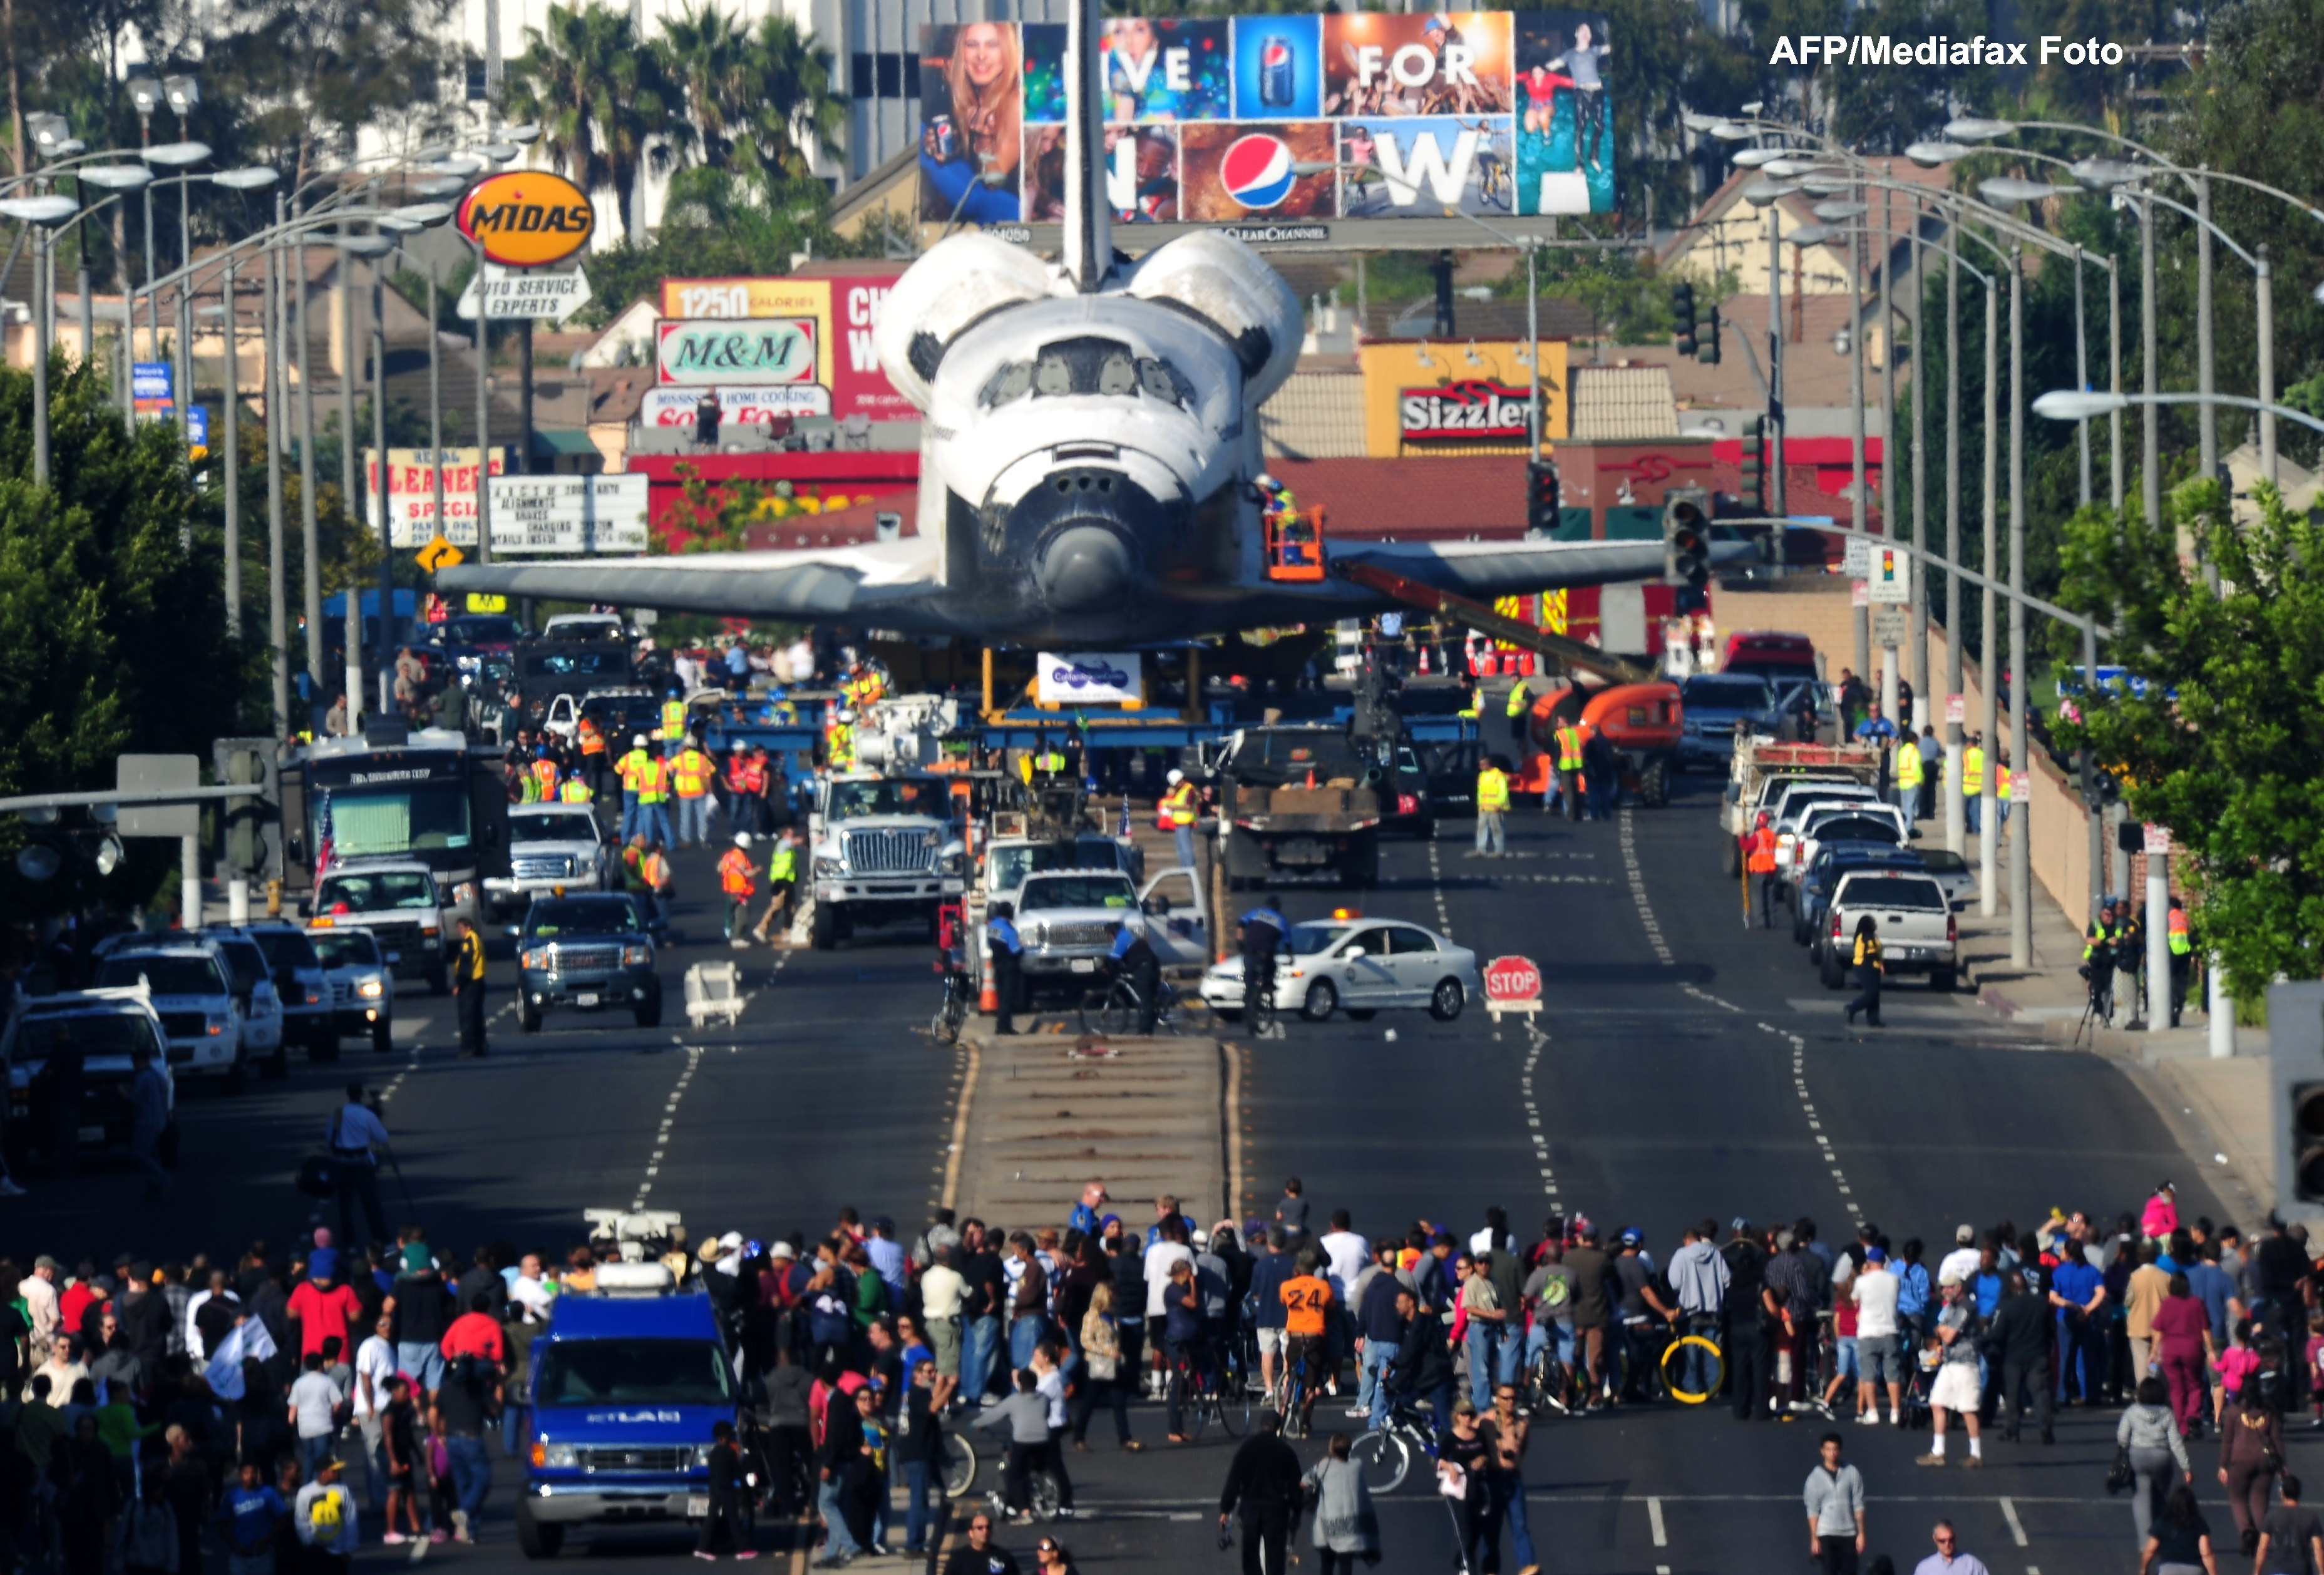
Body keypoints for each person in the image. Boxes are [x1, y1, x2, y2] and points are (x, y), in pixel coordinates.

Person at [1218, 1410, 1303, 1575]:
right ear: (1278, 1427)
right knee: (1275, 1556)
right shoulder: (1285, 1450)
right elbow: (1295, 1485)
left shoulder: (1247, 1448)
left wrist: (1225, 1509)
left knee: (1250, 1553)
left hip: (1251, 1507)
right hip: (1276, 1509)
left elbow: (1234, 1480)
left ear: (1261, 1425)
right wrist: (1297, 1511)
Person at [2121, 1375, 2194, 1546]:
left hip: (2138, 1456)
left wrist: (2124, 1451)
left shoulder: (2132, 1411)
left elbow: (2122, 1436)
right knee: (2161, 1498)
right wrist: (2186, 1467)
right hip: (2162, 1458)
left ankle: (2146, 1543)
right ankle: (2162, 1536)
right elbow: (2176, 1442)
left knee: (2142, 1498)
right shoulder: (2166, 1413)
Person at [1917, 1281, 1983, 1467]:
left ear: (1959, 1288)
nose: (1944, 1291)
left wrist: (1943, 1330)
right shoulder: (1950, 1307)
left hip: (1966, 1364)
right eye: (1942, 1288)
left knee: (1968, 1409)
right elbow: (1939, 1331)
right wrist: (1942, 1330)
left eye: (1948, 1287)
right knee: (1937, 1403)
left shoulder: (1966, 1307)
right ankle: (1938, 1452)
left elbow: (1947, 1335)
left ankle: (1976, 1454)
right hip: (1949, 1363)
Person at [321, 1084, 391, 1248]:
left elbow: (328, 1137)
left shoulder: (338, 1113)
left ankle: (348, 1241)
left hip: (342, 1164)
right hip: (362, 1164)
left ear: (348, 1095)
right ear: (361, 1095)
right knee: (371, 1204)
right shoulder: (367, 1115)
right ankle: (381, 1239)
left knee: (345, 1205)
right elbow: (382, 1139)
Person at [1301, 1431, 1379, 1575]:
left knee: (1327, 1564)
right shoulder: (1357, 1465)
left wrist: (1318, 1465)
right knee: (1345, 1564)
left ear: (1331, 1449)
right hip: (1351, 1526)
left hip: (1329, 1524)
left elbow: (1304, 1482)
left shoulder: (1325, 1465)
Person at [2221, 1383, 2286, 1554]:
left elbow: (2228, 1441)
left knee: (2238, 1498)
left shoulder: (2234, 1412)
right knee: (2260, 1499)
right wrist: (2282, 1466)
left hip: (2240, 1460)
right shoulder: (2268, 1412)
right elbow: (2277, 1440)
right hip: (2265, 1460)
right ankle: (2264, 1536)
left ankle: (2246, 1531)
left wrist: (2223, 1465)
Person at [1804, 1432, 1867, 1575]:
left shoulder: (1852, 1473)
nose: (1832, 1453)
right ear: (1822, 1451)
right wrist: (1814, 1538)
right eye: (1828, 1449)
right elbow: (1813, 1510)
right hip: (1826, 1533)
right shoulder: (1814, 1478)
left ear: (1840, 1450)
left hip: (1848, 1532)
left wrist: (1861, 1533)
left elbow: (1858, 1504)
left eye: (1835, 1449)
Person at [694, 1420, 753, 1560]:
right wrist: (744, 1488)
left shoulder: (713, 1453)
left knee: (711, 1518)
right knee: (733, 1519)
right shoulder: (729, 1452)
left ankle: (702, 1547)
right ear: (725, 1436)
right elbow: (737, 1471)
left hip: (714, 1488)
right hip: (726, 1489)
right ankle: (742, 1549)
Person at [293, 1455, 357, 1574]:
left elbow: (351, 1519)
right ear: (323, 1472)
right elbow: (301, 1521)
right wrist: (309, 1543)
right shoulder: (305, 1493)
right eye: (333, 1471)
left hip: (339, 1551)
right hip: (316, 1552)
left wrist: (348, 1548)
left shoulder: (344, 1489)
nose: (337, 1473)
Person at [2139, 1484, 2218, 1575]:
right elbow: (2206, 1553)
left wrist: (2144, 1569)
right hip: (2193, 1570)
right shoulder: (2199, 1524)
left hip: (2168, 1569)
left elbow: (2150, 1550)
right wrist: (2213, 1573)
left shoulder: (2163, 1523)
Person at [2256, 1474, 2324, 1575]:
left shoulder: (2272, 1516)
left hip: (2279, 1570)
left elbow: (2263, 1547)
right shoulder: (2311, 1517)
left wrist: (2257, 1571)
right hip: (2303, 1571)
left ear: (2282, 1493)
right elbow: (2318, 1548)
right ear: (2299, 1493)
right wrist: (2322, 1572)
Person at [1238, 898, 1287, 1032]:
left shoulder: (1255, 913)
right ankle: (1268, 984)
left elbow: (1241, 924)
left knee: (1249, 980)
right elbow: (1287, 942)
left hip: (1249, 952)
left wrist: (1240, 942)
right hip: (1265, 955)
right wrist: (1290, 956)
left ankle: (1248, 1007)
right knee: (1271, 968)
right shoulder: (1281, 919)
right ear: (1278, 908)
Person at [451, 916, 488, 1059]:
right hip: (478, 983)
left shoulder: (469, 942)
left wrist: (459, 984)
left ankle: (468, 1048)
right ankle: (480, 1046)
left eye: (461, 928)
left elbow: (466, 966)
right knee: (477, 1016)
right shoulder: (476, 940)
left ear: (468, 927)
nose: (459, 932)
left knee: (468, 1017)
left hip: (470, 985)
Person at [940, 1512, 1022, 1575]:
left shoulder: (1003, 1557)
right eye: (980, 1528)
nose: (985, 1531)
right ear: (971, 1533)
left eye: (988, 1528)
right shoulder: (958, 1559)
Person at [987, 901, 1024, 1036]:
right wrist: (1023, 947)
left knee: (1001, 996)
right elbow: (1016, 951)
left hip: (997, 965)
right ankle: (1004, 1028)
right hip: (1009, 966)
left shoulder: (991, 926)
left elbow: (989, 943)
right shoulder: (1010, 930)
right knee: (1008, 998)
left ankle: (1000, 1026)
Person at [717, 834, 759, 947]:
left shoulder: (728, 856)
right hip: (740, 891)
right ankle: (737, 938)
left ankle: (734, 934)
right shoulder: (740, 857)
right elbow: (746, 872)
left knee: (733, 914)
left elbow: (720, 868)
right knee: (742, 915)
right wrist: (757, 871)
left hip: (731, 890)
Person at [1843, 915, 1884, 1029]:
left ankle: (1873, 1019)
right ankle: (1851, 1008)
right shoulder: (1867, 936)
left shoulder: (1871, 936)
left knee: (1875, 994)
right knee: (1871, 993)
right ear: (1868, 924)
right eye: (1873, 922)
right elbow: (1871, 953)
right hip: (1865, 966)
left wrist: (1880, 964)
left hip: (1873, 966)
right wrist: (1879, 962)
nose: (1876, 924)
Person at [1913, 1520, 1990, 1575]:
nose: (1947, 1544)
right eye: (1942, 1541)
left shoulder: (1971, 1564)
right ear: (1935, 1539)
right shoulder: (1925, 1568)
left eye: (1951, 1540)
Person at [1747, 811, 1781, 930]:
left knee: (1758, 897)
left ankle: (1761, 921)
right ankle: (1772, 921)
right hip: (1771, 870)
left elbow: (1747, 846)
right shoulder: (1772, 835)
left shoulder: (1757, 836)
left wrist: (1742, 837)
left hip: (1759, 870)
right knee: (1770, 896)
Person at [1159, 770, 1198, 871]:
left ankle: (1189, 868)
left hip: (1185, 823)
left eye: (1176, 784)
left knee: (1186, 848)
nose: (1175, 786)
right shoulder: (1182, 790)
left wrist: (1173, 807)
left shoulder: (1189, 790)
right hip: (1179, 823)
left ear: (1180, 780)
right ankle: (1185, 868)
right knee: (1180, 848)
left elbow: (1188, 806)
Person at [1473, 754, 1509, 858]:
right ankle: (1480, 850)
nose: (1480, 766)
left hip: (1495, 808)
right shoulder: (1482, 775)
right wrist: (1479, 804)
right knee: (1481, 828)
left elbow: (1503, 792)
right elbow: (1480, 792)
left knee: (1496, 829)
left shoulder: (1499, 775)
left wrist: (1500, 804)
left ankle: (1499, 851)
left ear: (1489, 764)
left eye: (1483, 764)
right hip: (1484, 808)